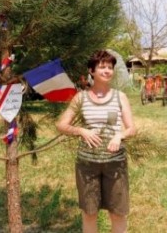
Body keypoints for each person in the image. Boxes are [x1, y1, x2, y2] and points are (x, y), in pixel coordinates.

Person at [56, 50, 135, 233]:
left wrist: (119, 135)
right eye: (102, 67)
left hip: (115, 165)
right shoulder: (80, 98)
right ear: (91, 71)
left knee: (118, 213)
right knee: (89, 213)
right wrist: (80, 130)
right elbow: (61, 125)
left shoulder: (120, 97)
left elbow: (132, 128)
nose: (107, 71)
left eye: (110, 67)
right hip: (87, 165)